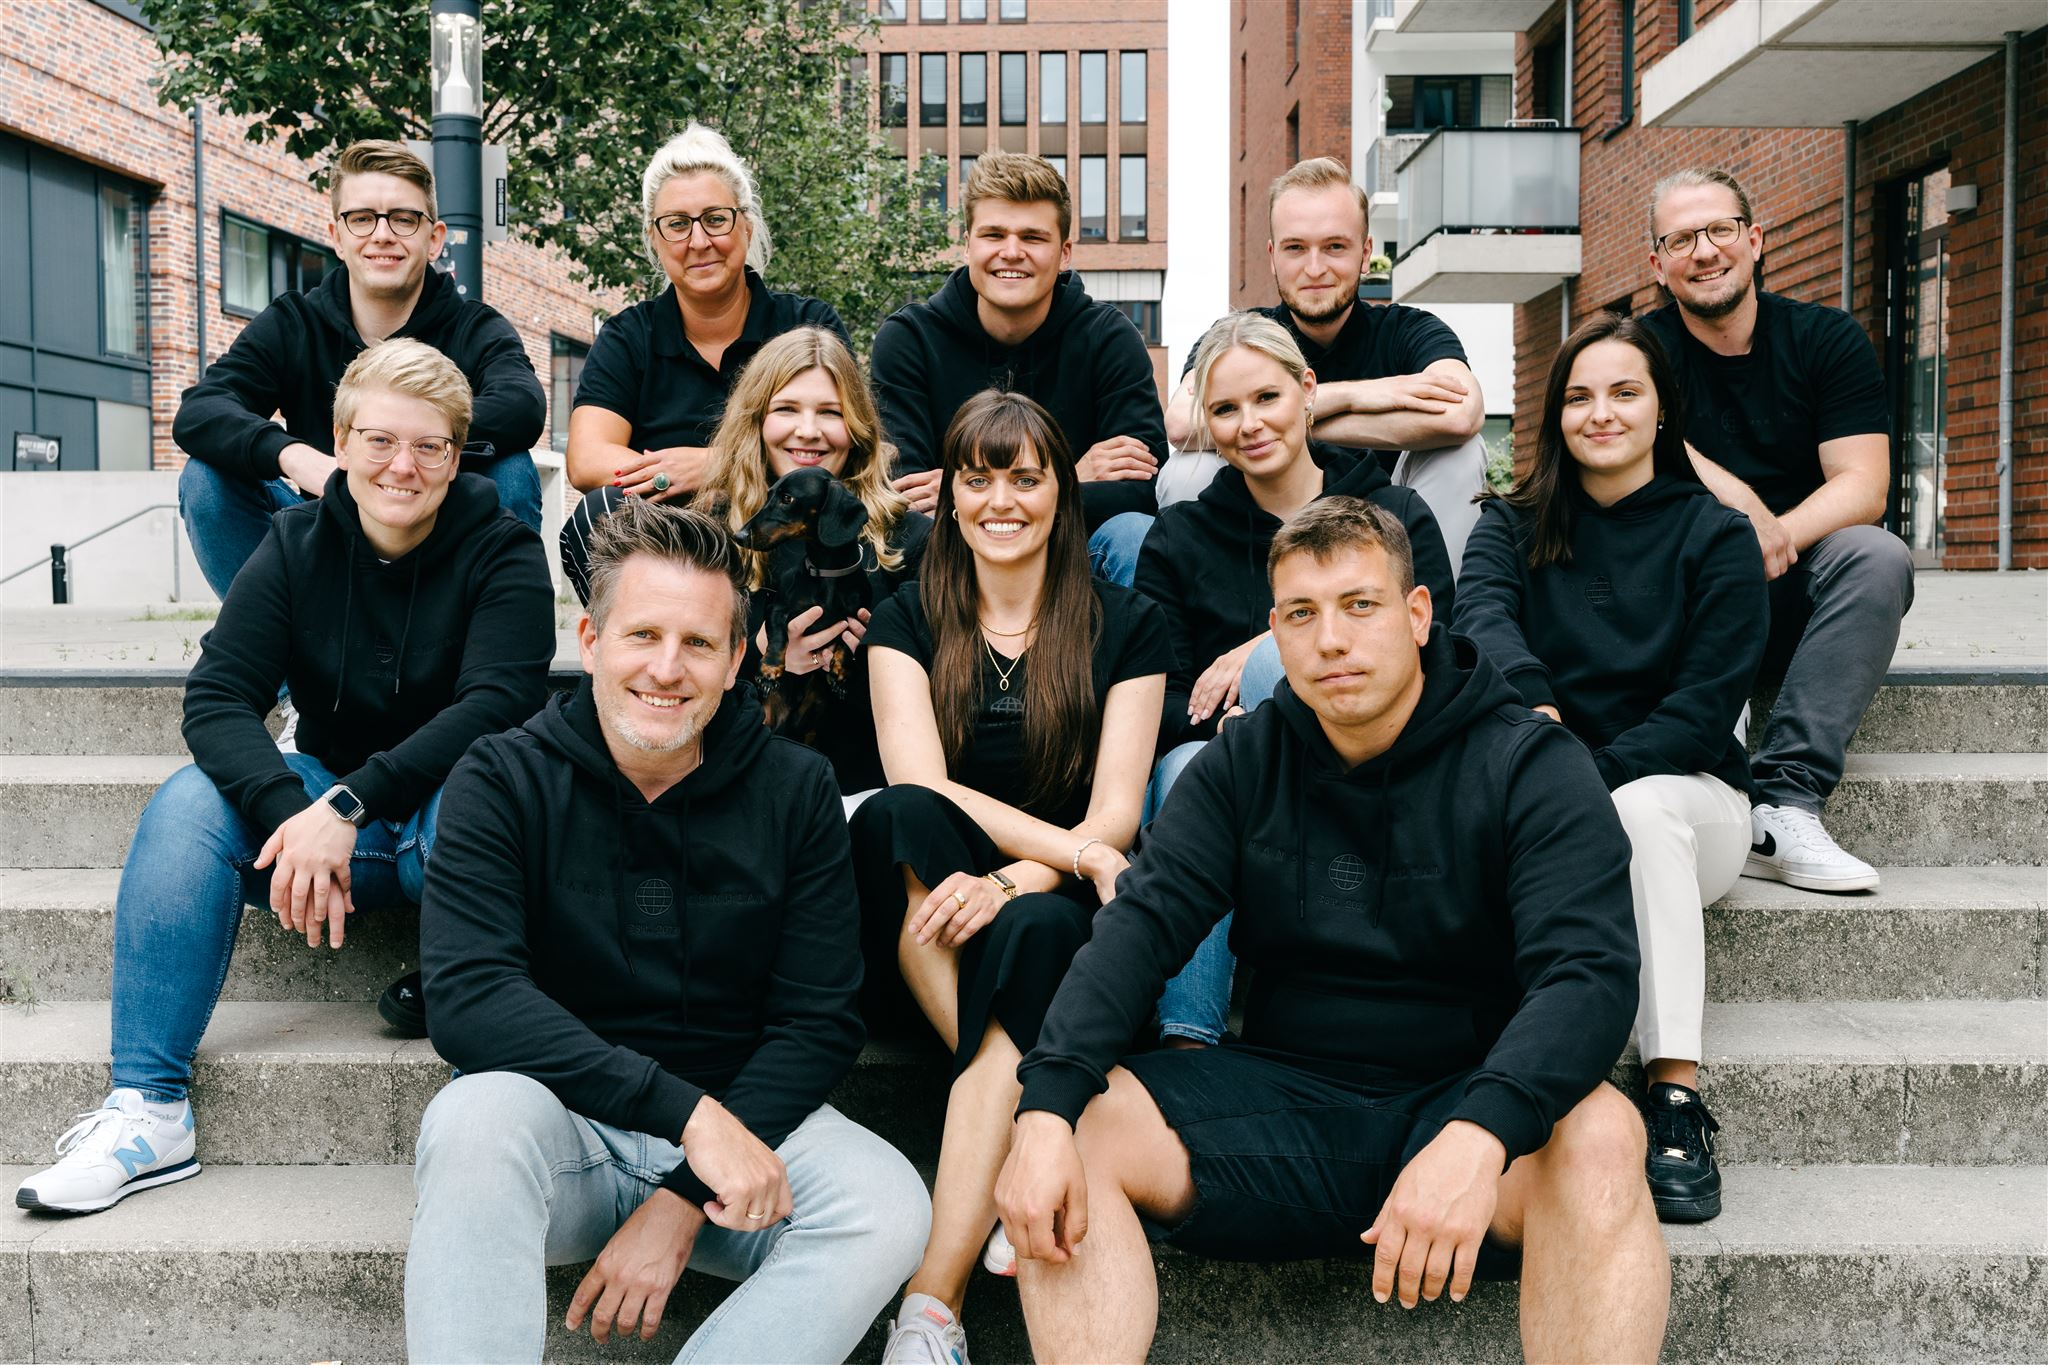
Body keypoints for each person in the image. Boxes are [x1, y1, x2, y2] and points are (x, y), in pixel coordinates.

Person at [993, 497, 1667, 1365]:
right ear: (1275, 632)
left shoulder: (1528, 762)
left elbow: (1589, 974)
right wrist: (1044, 1106)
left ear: (1417, 614)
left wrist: (1482, 1131)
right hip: (1284, 1103)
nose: (1332, 640)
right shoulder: (1244, 760)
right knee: (1074, 1119)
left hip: (1464, 1100)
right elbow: (1141, 925)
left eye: (1360, 605)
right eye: (1303, 614)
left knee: (1604, 1133)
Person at [15, 340, 556, 1215]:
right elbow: (218, 697)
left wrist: (347, 801)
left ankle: (488, 1101)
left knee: (486, 795)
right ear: (340, 442)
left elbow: (497, 706)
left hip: (452, 820)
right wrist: (291, 811)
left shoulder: (503, 549)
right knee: (189, 802)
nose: (403, 466)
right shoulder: (295, 541)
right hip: (337, 819)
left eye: (429, 446)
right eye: (380, 440)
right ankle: (148, 1109)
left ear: (457, 456)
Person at [405, 498, 929, 1362]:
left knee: (889, 1203)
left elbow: (818, 1020)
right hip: (565, 1132)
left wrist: (686, 1191)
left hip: (741, 1144)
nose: (667, 667)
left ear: (735, 661)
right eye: (643, 634)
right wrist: (687, 1117)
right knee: (472, 1118)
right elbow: (470, 999)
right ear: (590, 640)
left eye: (698, 643)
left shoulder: (795, 788)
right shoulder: (500, 777)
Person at [851, 390, 1171, 1365]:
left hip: (1053, 924)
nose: (1001, 500)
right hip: (925, 929)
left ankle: (930, 1308)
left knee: (1034, 936)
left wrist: (1018, 882)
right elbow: (922, 785)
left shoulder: (1129, 624)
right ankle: (1014, 1119)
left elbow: (1115, 813)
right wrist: (1069, 854)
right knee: (896, 815)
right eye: (978, 478)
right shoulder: (906, 619)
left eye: (1025, 478)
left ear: (1059, 491)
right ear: (948, 495)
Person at [1455, 314, 1767, 1223]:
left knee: (1640, 814)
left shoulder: (1717, 536)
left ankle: (1673, 1093)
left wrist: (1583, 781)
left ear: (1663, 410)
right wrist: (1544, 727)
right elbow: (1483, 625)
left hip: (1688, 800)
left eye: (1625, 392)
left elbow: (1702, 710)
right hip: (1543, 791)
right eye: (1580, 396)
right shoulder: (1509, 524)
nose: (1601, 413)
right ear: (1555, 414)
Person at [1134, 311, 1455, 1050]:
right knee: (1187, 767)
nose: (1249, 424)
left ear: (1307, 390)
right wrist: (1240, 730)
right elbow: (1160, 700)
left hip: (1378, 765)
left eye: (1267, 397)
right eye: (1225, 408)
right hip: (1240, 779)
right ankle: (1188, 1044)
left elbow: (1439, 651)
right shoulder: (1180, 537)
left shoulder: (1391, 514)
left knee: (1271, 667)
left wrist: (1266, 646)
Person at [1640, 167, 1912, 893]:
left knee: (1877, 556)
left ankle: (1785, 799)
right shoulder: (1640, 352)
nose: (1704, 251)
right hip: (1684, 595)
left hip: (1798, 588)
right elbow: (1643, 452)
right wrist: (1744, 527)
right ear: (1658, 264)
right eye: (1681, 240)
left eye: (1720, 230)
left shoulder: (1825, 339)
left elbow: (1864, 484)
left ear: (1755, 240)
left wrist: (1777, 536)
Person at [175, 139, 547, 600]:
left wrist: (407, 450)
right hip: (327, 531)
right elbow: (202, 410)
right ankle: (280, 642)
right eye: (362, 218)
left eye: (404, 219)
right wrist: (295, 456)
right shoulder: (295, 323)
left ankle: (477, 638)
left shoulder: (473, 327)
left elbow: (522, 405)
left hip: (436, 537)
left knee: (511, 471)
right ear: (337, 236)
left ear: (434, 239)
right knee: (205, 480)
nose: (382, 234)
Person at [560, 122, 849, 602]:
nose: (698, 241)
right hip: (670, 538)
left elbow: (844, 440)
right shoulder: (629, 335)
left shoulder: (806, 324)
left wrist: (721, 467)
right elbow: (587, 458)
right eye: (677, 224)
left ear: (746, 227)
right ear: (655, 239)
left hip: (776, 526)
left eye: (716, 219)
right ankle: (642, 639)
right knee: (598, 510)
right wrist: (672, 478)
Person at [1162, 158, 1488, 566]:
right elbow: (1182, 423)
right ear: (1273, 256)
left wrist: (1291, 424)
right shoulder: (1240, 339)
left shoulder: (1408, 331)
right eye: (1296, 248)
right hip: (1256, 534)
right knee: (1186, 471)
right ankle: (1210, 607)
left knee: (1460, 455)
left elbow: (1461, 415)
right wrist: (1363, 394)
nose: (1314, 269)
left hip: (1388, 531)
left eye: (1334, 246)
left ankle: (1431, 606)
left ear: (1365, 253)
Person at [870, 151, 1165, 582]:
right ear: (967, 245)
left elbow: (1142, 490)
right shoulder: (910, 339)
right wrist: (1070, 477)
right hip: (955, 562)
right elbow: (908, 496)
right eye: (994, 235)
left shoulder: (1109, 338)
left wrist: (971, 488)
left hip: (1076, 560)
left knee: (1134, 534)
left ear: (1064, 253)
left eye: (1032, 237)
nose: (1011, 252)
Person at [697, 325, 931, 794]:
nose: (808, 431)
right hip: (744, 787)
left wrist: (879, 662)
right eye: (786, 409)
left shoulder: (908, 537)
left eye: (830, 412)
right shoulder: (712, 533)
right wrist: (761, 656)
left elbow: (943, 684)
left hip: (870, 787)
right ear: (757, 420)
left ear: (857, 426)